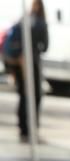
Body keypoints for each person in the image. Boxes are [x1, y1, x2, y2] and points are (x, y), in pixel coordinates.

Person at [4, 0, 48, 143]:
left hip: (17, 63)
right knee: (34, 97)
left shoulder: (24, 19)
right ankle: (31, 128)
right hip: (31, 64)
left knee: (23, 95)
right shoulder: (41, 22)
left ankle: (22, 128)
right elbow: (45, 46)